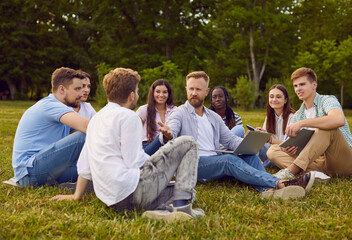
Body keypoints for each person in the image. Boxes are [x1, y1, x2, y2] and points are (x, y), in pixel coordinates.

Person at [50, 68, 204, 223]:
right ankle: (181, 209)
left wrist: (76, 195)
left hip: (113, 201)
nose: (137, 94)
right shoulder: (129, 116)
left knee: (187, 190)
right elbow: (134, 161)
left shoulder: (97, 118)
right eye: (137, 91)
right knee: (188, 142)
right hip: (132, 192)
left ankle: (162, 211)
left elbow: (85, 164)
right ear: (131, 95)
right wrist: (165, 165)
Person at [158, 71, 316, 200]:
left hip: (214, 162)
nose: (193, 93)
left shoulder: (213, 117)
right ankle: (281, 183)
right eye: (191, 89)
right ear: (186, 89)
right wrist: (168, 134)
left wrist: (249, 144)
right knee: (228, 160)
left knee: (250, 156)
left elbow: (230, 140)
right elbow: (171, 130)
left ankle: (266, 191)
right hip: (192, 165)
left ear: (206, 92)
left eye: (198, 89)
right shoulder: (179, 113)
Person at [267, 67, 352, 179]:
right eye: (295, 86)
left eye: (302, 84)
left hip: (341, 159)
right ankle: (314, 174)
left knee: (325, 128)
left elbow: (338, 119)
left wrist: (303, 123)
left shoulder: (327, 100)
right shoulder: (298, 115)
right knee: (273, 151)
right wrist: (289, 148)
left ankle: (292, 170)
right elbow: (288, 141)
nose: (298, 89)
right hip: (316, 160)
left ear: (314, 85)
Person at [12, 67, 89, 187]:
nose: (81, 93)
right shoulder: (50, 105)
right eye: (77, 89)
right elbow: (87, 127)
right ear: (62, 89)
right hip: (30, 173)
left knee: (93, 169)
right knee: (84, 135)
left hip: (44, 168)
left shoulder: (61, 107)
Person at [255, 84, 295, 168]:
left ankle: (260, 166)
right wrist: (261, 135)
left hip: (283, 155)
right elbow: (266, 142)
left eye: (278, 97)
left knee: (273, 154)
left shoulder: (292, 117)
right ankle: (256, 164)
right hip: (270, 153)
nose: (274, 100)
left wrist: (270, 139)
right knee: (255, 139)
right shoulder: (269, 117)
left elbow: (289, 146)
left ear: (285, 100)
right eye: (271, 97)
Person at [136, 79, 176, 155]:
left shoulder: (174, 110)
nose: (161, 95)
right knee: (162, 136)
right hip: (148, 146)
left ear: (168, 94)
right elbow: (134, 133)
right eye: (158, 92)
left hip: (169, 146)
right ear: (153, 93)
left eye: (164, 92)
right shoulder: (143, 110)